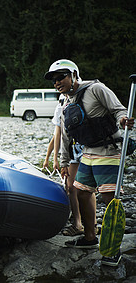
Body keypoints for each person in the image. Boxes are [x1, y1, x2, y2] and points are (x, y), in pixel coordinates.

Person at [44, 59, 134, 267]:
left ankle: (113, 249)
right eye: (54, 80)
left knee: (109, 197)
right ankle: (90, 237)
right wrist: (64, 161)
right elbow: (66, 135)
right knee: (82, 192)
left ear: (74, 75)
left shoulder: (96, 89)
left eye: (61, 77)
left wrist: (123, 119)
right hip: (87, 153)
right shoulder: (66, 102)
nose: (57, 82)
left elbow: (118, 110)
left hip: (109, 150)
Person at [43, 94, 86, 236]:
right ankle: (80, 222)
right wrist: (53, 158)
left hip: (83, 150)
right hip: (71, 152)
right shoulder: (60, 108)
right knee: (71, 187)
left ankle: (82, 223)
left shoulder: (81, 102)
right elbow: (57, 135)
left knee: (78, 187)